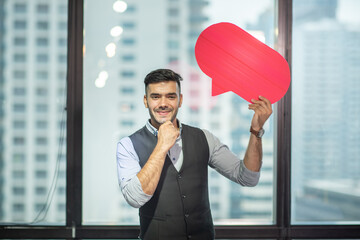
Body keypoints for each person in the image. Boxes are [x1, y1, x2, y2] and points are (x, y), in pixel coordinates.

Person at [116, 69, 272, 240]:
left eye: (170, 96)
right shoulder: (128, 145)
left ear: (180, 100)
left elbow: (248, 178)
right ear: (146, 101)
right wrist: (161, 146)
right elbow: (135, 198)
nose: (163, 103)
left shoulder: (204, 138)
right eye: (155, 97)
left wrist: (256, 131)